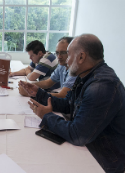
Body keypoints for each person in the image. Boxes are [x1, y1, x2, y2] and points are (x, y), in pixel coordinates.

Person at [20, 34, 125, 172]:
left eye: (68, 55)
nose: (66, 61)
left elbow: (78, 135)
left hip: (102, 158)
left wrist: (47, 116)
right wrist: (38, 93)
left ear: (81, 57)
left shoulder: (101, 86)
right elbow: (68, 103)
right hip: (89, 145)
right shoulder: (86, 76)